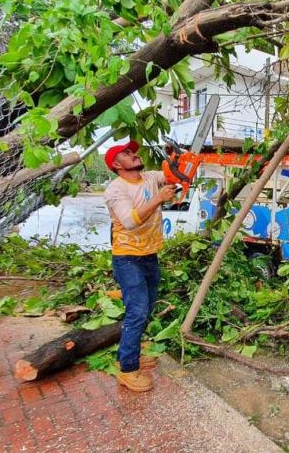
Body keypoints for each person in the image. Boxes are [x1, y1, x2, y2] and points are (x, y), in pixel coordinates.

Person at [103, 140, 176, 392]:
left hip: (149, 255)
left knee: (146, 308)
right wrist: (158, 198)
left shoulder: (148, 177)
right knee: (137, 311)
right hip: (127, 258)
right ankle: (128, 370)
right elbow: (129, 221)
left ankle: (129, 354)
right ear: (116, 164)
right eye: (125, 153)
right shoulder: (115, 189)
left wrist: (178, 160)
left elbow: (169, 174)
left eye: (131, 150)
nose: (132, 153)